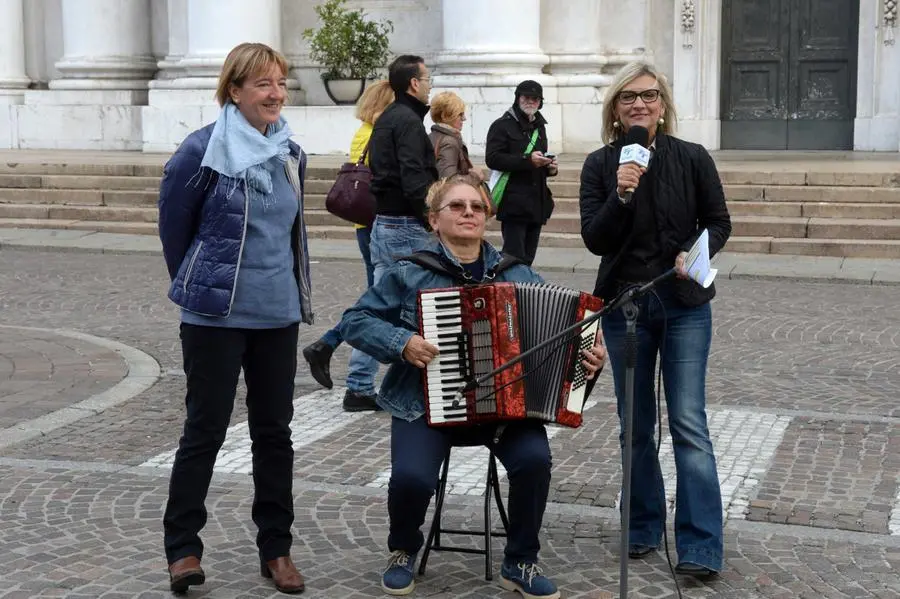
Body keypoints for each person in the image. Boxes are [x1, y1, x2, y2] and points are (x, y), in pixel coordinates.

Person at [337, 174, 607, 598]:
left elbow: (564, 338)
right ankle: (403, 549)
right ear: (434, 219)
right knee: (410, 478)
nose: (469, 213)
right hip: (424, 405)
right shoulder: (408, 272)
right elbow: (354, 321)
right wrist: (401, 341)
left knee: (534, 461)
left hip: (505, 409)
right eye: (457, 206)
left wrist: (588, 358)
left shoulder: (515, 273)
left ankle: (520, 560)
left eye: (477, 207)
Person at [157, 43, 309, 595]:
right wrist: (201, 286)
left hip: (277, 313)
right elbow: (176, 230)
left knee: (275, 434)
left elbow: (291, 235)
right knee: (205, 431)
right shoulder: (201, 151)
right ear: (235, 90)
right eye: (263, 84)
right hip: (213, 318)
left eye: (280, 83)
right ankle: (183, 550)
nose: (275, 93)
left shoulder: (291, 151)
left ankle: (277, 549)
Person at [578, 61, 732, 577]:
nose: (639, 104)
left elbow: (718, 221)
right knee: (635, 425)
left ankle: (701, 543)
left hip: (685, 304)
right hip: (626, 306)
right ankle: (641, 525)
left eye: (648, 96)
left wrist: (695, 251)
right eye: (628, 98)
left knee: (689, 423)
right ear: (616, 111)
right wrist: (622, 194)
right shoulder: (601, 166)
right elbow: (596, 240)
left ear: (662, 106)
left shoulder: (692, 158)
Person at [302, 80, 395, 412]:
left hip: (363, 224)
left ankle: (328, 345)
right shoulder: (379, 134)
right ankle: (354, 378)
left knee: (376, 299)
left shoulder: (363, 131)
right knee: (378, 304)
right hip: (376, 224)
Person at [367, 54, 439, 284]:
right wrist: (430, 220)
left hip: (386, 222)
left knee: (383, 300)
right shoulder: (408, 120)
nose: (429, 87)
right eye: (427, 79)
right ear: (414, 83)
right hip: (405, 225)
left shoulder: (388, 116)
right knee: (411, 303)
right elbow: (413, 178)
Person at [485, 80, 558, 266]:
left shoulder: (540, 126)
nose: (530, 102)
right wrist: (527, 160)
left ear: (540, 102)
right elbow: (492, 159)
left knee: (528, 260)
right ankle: (510, 293)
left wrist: (550, 167)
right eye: (526, 97)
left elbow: (538, 160)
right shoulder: (501, 125)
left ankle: (524, 293)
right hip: (514, 204)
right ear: (518, 98)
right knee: (513, 258)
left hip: (537, 203)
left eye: (535, 99)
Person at [428, 91, 481, 179]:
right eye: (460, 114)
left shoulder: (433, 136)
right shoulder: (449, 142)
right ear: (446, 116)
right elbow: (449, 180)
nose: (464, 118)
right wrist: (475, 176)